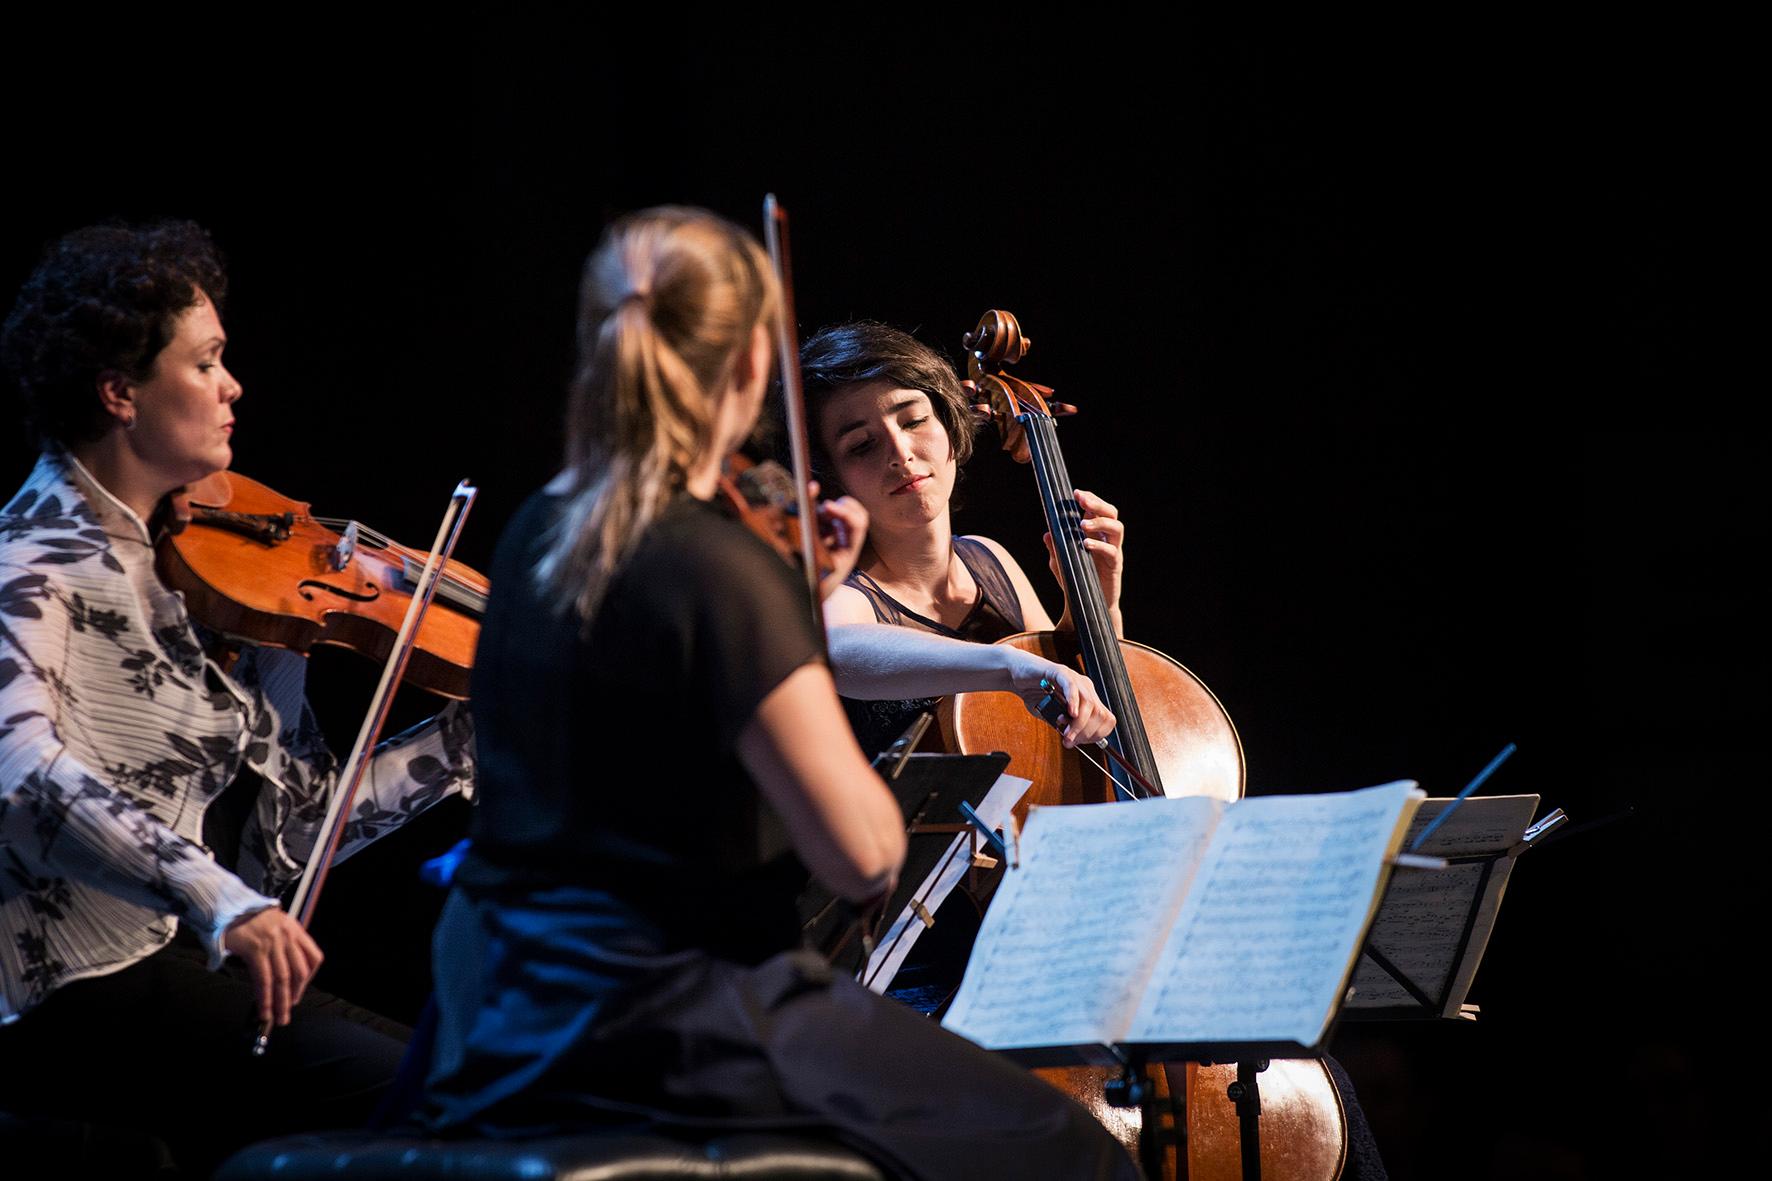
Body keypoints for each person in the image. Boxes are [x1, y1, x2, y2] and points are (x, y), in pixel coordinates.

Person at [417, 207, 1136, 1181]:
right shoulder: (721, 559)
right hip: (680, 1005)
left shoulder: (543, 527)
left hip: (507, 999)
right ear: (754, 367)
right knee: (1069, 1152)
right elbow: (863, 854)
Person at [0, 221, 474, 1175]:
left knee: (464, 1082)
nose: (233, 386)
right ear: (120, 393)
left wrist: (465, 738)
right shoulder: (35, 559)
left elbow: (293, 835)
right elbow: (19, 773)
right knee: (433, 1108)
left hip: (174, 955)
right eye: (207, 362)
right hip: (66, 984)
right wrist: (223, 901)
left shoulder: (191, 560)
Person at [799, 321, 1123, 761]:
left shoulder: (989, 560)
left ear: (951, 426)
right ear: (832, 476)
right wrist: (1010, 667)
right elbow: (837, 650)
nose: (900, 453)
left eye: (913, 420)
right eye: (861, 446)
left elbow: (1083, 691)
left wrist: (1097, 605)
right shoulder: (844, 595)